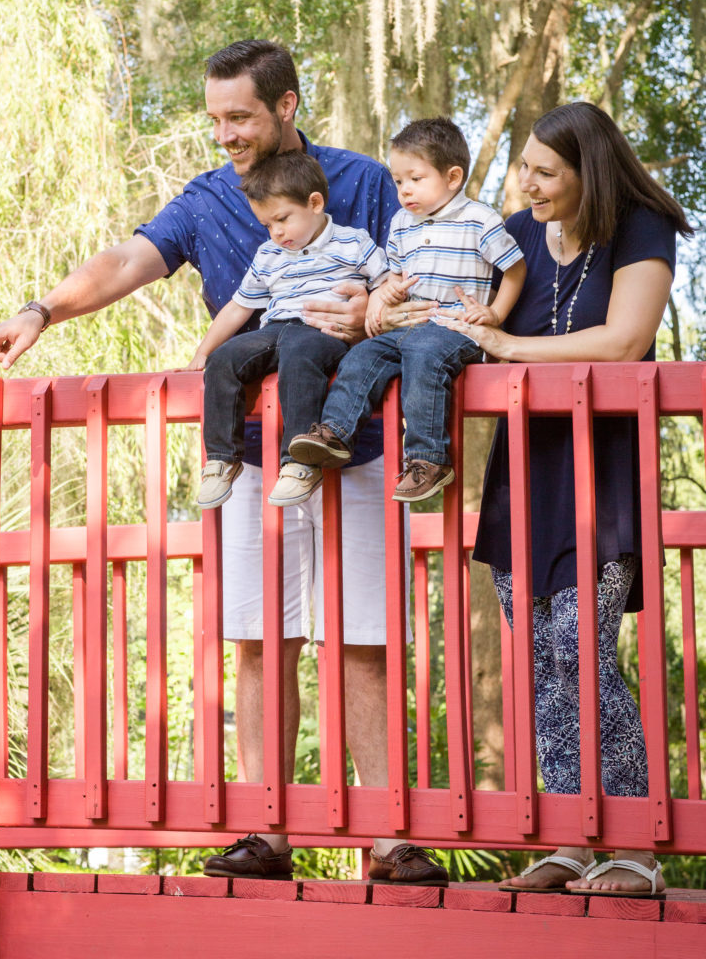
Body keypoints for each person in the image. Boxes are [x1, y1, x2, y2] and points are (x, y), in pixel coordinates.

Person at [0, 39, 449, 887]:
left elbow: (414, 276)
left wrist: (372, 309)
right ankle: (267, 832)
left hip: (358, 445)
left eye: (241, 117)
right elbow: (124, 262)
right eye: (215, 118)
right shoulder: (207, 201)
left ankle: (389, 837)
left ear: (286, 108)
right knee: (261, 642)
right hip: (254, 458)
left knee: (362, 641)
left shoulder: (365, 182)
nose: (225, 133)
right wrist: (42, 310)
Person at [429, 102, 691, 897]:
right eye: (525, 168)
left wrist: (512, 347)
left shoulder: (640, 226)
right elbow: (456, 306)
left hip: (602, 478)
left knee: (580, 650)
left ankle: (636, 846)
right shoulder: (512, 235)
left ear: (590, 171)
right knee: (542, 662)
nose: (527, 184)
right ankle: (573, 838)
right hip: (523, 476)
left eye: (547, 171)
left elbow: (623, 339)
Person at [289, 117, 526, 502]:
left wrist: (495, 314)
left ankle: (428, 459)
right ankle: (334, 432)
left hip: (456, 327)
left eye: (415, 179)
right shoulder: (402, 223)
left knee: (423, 353)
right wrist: (388, 294)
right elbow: (394, 277)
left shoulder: (479, 220)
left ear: (452, 177)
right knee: (363, 354)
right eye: (399, 181)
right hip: (409, 325)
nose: (404, 190)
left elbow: (515, 269)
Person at [190, 149, 388, 509]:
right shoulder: (269, 254)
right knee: (224, 360)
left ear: (314, 203)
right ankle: (221, 459)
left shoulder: (353, 242)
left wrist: (374, 305)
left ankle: (299, 462)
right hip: (276, 328)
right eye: (267, 224)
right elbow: (238, 307)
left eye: (282, 219)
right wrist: (204, 352)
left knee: (299, 358)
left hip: (322, 330)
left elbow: (386, 282)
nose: (276, 232)